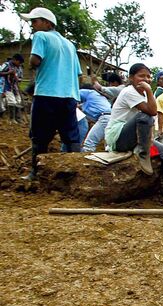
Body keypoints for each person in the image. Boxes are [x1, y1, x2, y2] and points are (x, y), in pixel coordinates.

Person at [19, 7, 82, 181]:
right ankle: (75, 174)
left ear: (47, 23)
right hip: (68, 96)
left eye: (35, 21)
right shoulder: (70, 45)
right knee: (70, 136)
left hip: (47, 93)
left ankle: (36, 173)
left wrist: (33, 66)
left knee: (40, 135)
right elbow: (79, 74)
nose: (33, 25)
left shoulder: (41, 36)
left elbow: (35, 60)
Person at [104, 63, 163, 200]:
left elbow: (152, 119)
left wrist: (151, 138)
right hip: (118, 137)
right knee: (143, 115)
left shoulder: (144, 95)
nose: (145, 79)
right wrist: (150, 91)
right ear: (131, 78)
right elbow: (151, 112)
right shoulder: (129, 92)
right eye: (141, 76)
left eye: (148, 76)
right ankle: (143, 152)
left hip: (136, 137)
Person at [80, 84, 114, 152]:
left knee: (89, 145)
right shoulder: (98, 97)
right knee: (109, 147)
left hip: (105, 118)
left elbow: (73, 95)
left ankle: (85, 161)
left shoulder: (89, 92)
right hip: (111, 118)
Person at [0, 53, 25, 123]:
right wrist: (8, 72)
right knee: (12, 101)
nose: (19, 64)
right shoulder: (6, 65)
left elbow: (20, 78)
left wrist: (18, 79)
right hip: (7, 86)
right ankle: (11, 119)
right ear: (14, 60)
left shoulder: (19, 67)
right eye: (19, 62)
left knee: (18, 100)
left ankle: (18, 118)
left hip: (15, 87)